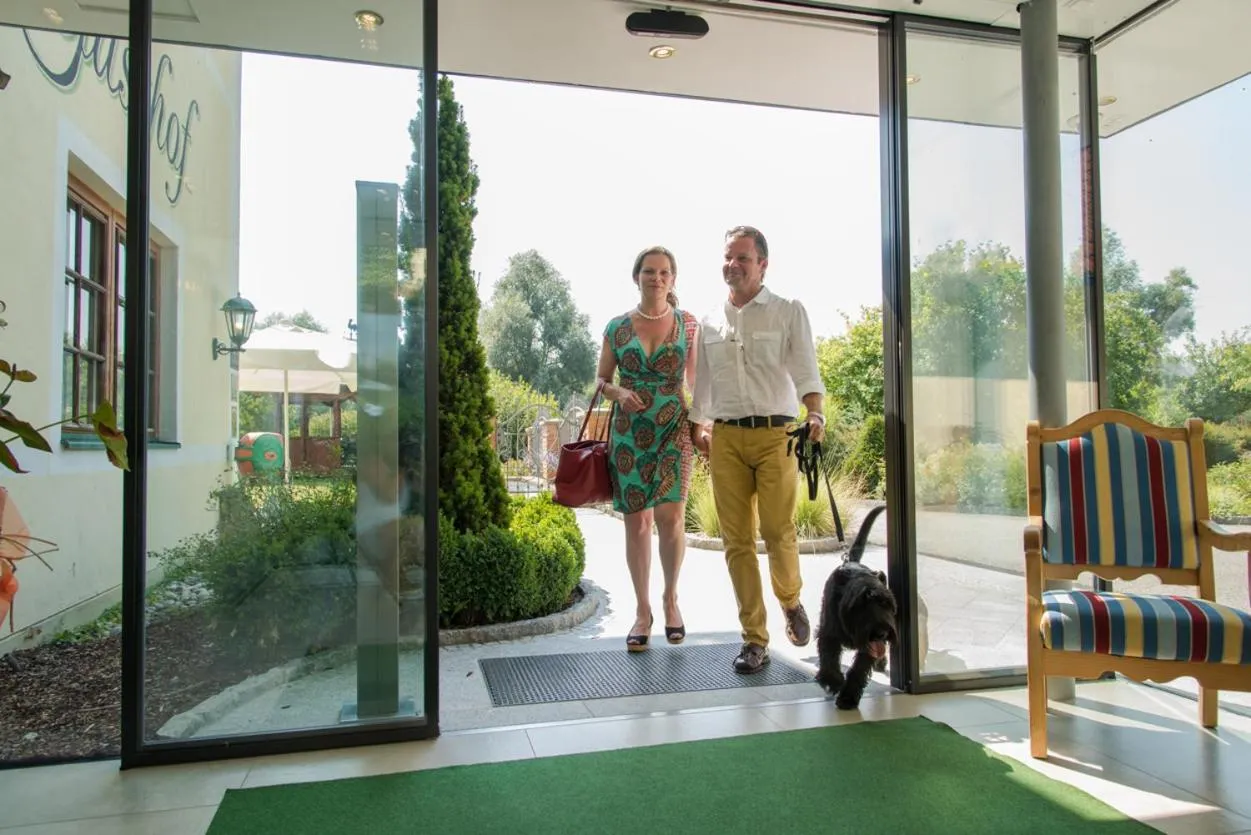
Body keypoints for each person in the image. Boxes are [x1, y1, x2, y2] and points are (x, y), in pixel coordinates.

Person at [689, 225, 826, 674]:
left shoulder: (787, 311)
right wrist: (698, 426)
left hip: (777, 434)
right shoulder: (709, 321)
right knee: (736, 542)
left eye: (743, 258)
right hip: (726, 437)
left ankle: (789, 600)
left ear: (763, 263)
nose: (733, 265)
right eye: (728, 257)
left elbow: (806, 368)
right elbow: (703, 384)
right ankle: (754, 639)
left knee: (777, 529)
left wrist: (816, 414)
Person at [595, 246, 699, 652]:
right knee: (636, 524)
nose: (656, 278)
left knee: (671, 520)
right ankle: (642, 611)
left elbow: (697, 384)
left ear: (673, 279)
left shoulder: (689, 325)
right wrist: (619, 391)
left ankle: (670, 600)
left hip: (674, 430)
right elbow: (601, 381)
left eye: (664, 272)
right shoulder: (617, 327)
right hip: (628, 436)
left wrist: (702, 426)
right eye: (649, 271)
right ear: (636, 276)